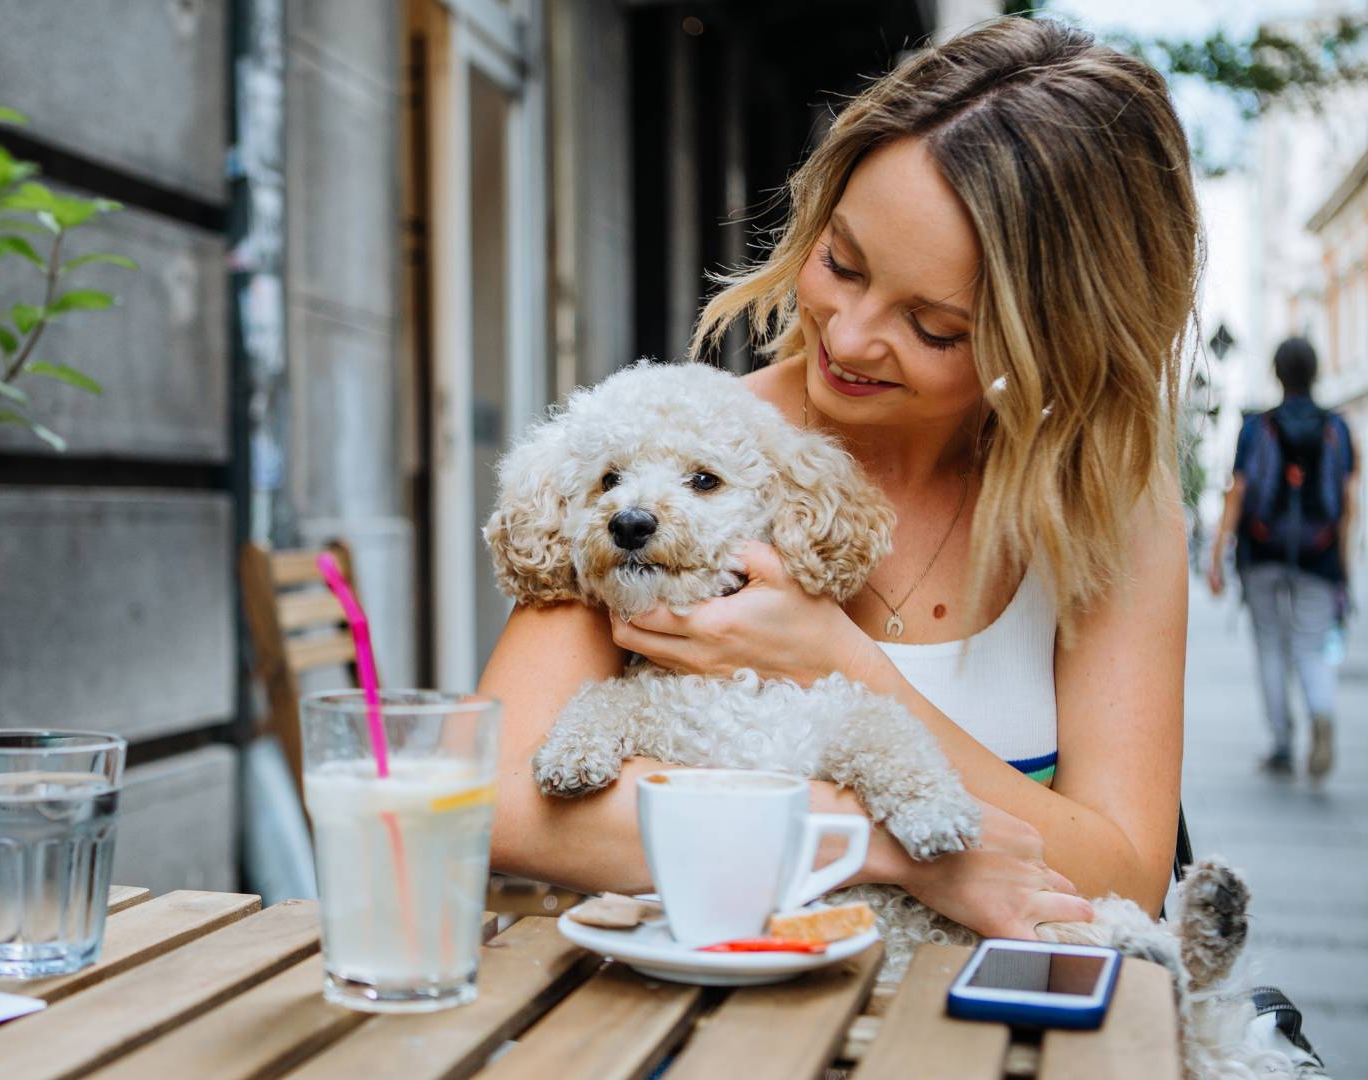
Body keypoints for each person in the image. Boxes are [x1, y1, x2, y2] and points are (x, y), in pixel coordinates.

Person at [481, 17, 1197, 940]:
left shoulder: (1105, 507)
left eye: (935, 325)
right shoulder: (677, 454)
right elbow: (498, 798)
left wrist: (840, 662)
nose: (851, 338)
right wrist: (867, 837)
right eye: (841, 263)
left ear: (1059, 335)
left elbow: (1123, 882)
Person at [1207, 338, 1357, 778]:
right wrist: (1342, 566)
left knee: (1270, 644)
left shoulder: (1257, 426)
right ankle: (1322, 711)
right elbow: (1346, 503)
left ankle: (1281, 744)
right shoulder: (1338, 428)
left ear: (1277, 374)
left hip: (1262, 552)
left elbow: (1238, 494)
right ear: (1315, 373)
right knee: (1312, 646)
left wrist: (1217, 556)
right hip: (1320, 553)